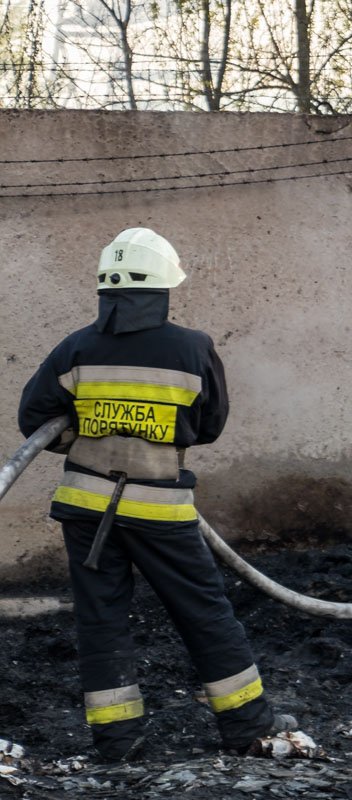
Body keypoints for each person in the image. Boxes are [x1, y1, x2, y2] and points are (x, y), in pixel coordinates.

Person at [17, 228, 293, 760]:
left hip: (84, 507)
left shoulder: (75, 348)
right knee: (204, 612)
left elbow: (36, 419)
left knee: (100, 620)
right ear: (163, 287)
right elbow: (208, 425)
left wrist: (89, 433)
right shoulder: (192, 348)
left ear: (105, 288)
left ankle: (118, 741)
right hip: (158, 508)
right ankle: (247, 726)